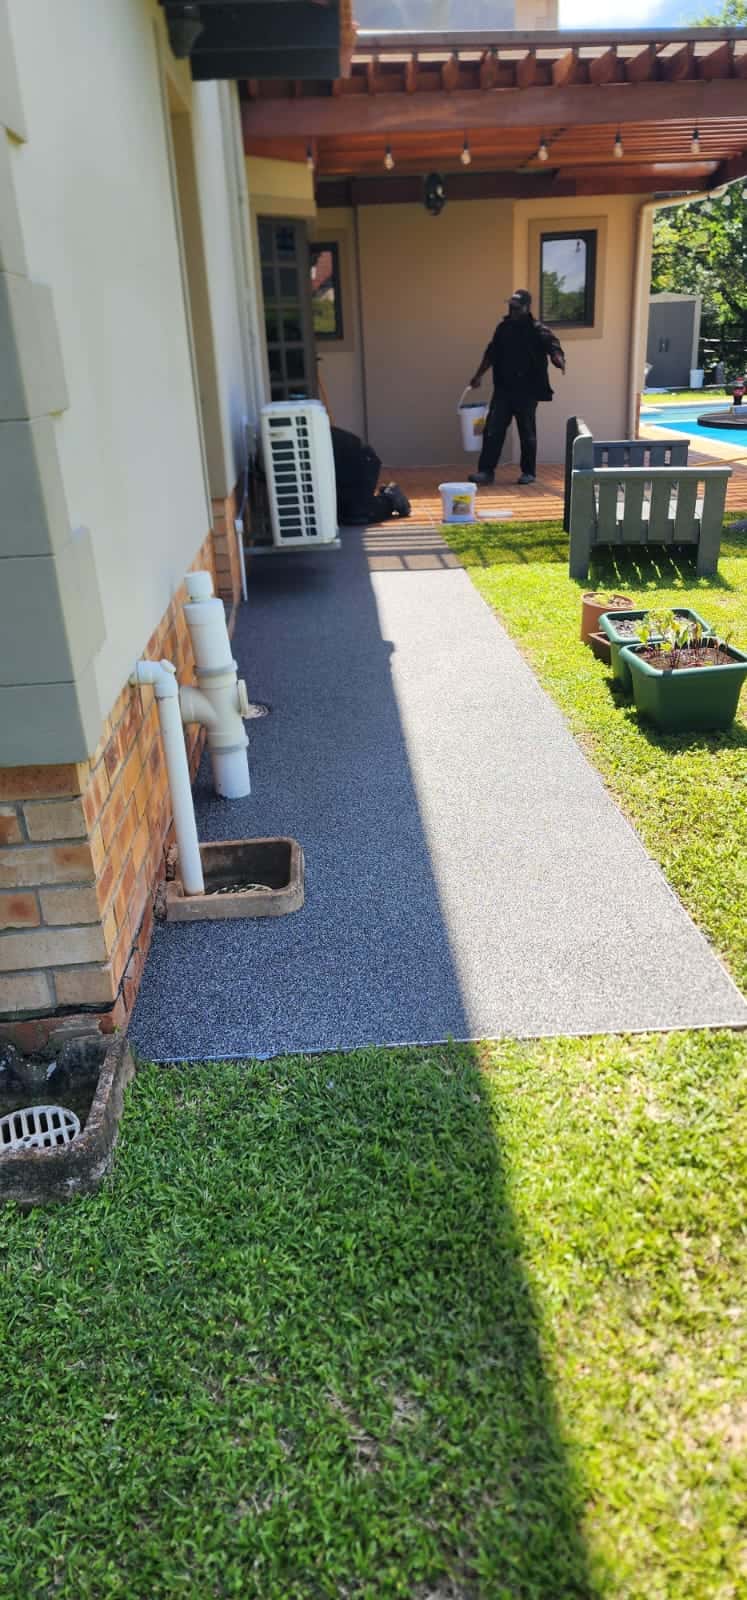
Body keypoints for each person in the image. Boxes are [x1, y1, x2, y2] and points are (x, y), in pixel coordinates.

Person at [467, 289, 565, 487]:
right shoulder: (503, 329)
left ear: (526, 308)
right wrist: (478, 376)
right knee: (493, 431)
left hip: (527, 392)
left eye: (516, 307)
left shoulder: (537, 329)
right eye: (510, 306)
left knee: (527, 431)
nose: (512, 310)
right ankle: (486, 472)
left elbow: (553, 345)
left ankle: (528, 472)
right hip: (503, 390)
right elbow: (491, 354)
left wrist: (558, 359)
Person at [331, 425, 411, 525]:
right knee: (336, 513)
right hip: (339, 466)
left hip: (360, 460)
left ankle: (391, 498)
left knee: (356, 515)